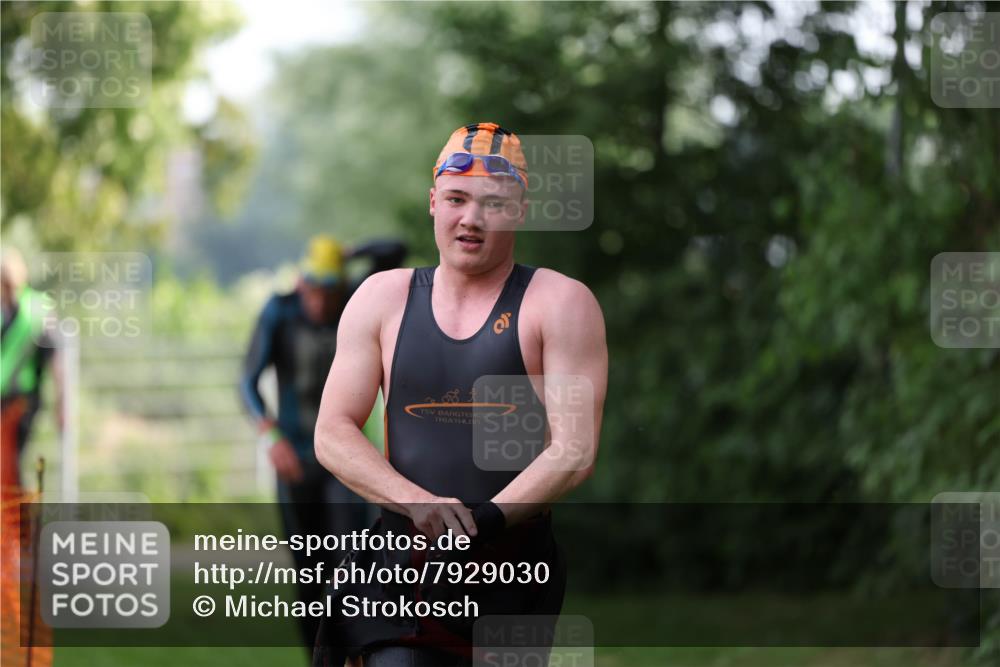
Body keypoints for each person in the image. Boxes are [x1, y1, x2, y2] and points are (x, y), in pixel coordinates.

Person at [312, 123, 608, 667]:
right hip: (401, 563)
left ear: (519, 210)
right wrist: (417, 505)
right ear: (433, 202)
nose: (470, 218)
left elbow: (575, 449)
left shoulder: (560, 303)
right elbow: (332, 431)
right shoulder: (382, 297)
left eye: (492, 203)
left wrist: (485, 524)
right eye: (456, 199)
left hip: (510, 569)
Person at [240, 235, 407, 655]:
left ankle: (355, 656)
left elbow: (395, 250)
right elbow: (247, 380)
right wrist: (271, 435)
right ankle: (317, 658)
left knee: (352, 568)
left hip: (344, 463)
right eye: (313, 289)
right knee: (308, 573)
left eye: (328, 290)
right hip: (295, 460)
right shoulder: (279, 311)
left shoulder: (355, 300)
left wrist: (346, 254)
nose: (320, 300)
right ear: (301, 284)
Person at [1, 247, 62, 494]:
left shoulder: (39, 309)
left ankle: (19, 529)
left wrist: (62, 404)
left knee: (10, 467)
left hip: (21, 402)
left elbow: (56, 360)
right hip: (6, 401)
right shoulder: (6, 310)